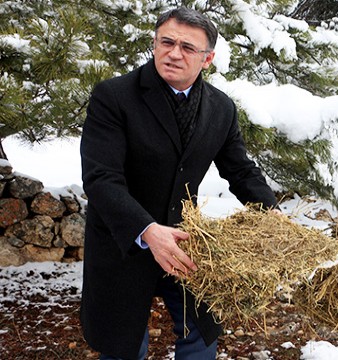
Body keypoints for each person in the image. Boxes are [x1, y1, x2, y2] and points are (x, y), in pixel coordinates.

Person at [80, 7, 278, 359]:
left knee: (201, 339)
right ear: (154, 43)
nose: (174, 52)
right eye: (166, 42)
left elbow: (241, 171)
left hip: (188, 243)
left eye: (188, 47)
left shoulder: (221, 108)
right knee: (124, 346)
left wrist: (275, 217)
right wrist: (147, 230)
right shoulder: (114, 97)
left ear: (208, 58)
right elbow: (101, 178)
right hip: (124, 242)